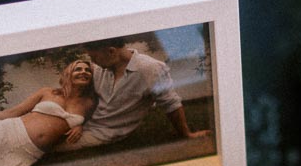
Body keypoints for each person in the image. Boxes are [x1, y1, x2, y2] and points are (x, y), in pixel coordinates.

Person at [81, 37, 211, 145]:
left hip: (104, 133)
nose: (92, 62)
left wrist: (187, 134)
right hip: (81, 125)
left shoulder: (150, 69)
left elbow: (171, 104)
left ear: (111, 51)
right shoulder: (98, 69)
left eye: (94, 58)